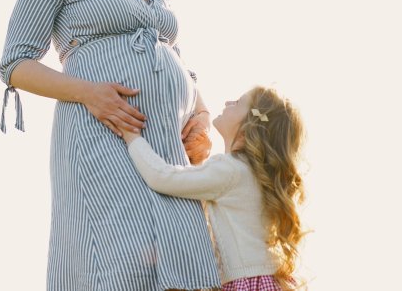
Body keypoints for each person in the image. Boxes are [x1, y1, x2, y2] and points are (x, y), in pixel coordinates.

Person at [0, 0, 220, 290]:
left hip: (167, 146)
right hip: (101, 133)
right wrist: (90, 93)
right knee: (118, 258)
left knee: (191, 262)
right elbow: (15, 63)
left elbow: (172, 58)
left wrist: (200, 113)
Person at [120, 86, 307, 291]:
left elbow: (162, 177)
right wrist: (198, 162)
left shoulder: (230, 170)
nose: (228, 103)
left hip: (245, 282)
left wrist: (132, 136)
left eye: (237, 102)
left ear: (248, 127)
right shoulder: (251, 173)